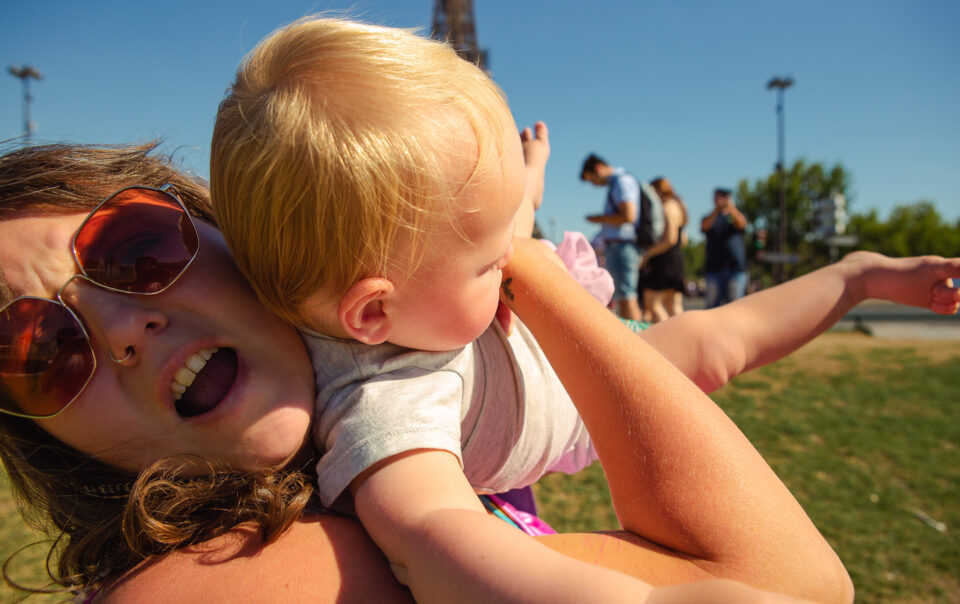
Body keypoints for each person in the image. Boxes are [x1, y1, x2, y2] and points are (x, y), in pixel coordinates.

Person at [0, 142, 871, 603]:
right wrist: (519, 264)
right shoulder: (220, 585)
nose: (121, 330)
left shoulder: (392, 404)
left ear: (229, 228)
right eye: (39, 350)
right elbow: (794, 586)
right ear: (46, 440)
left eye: (132, 247)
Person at [581, 154, 644, 321]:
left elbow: (629, 216)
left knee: (627, 298)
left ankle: (635, 343)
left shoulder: (621, 182)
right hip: (619, 246)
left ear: (598, 168)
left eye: (593, 180)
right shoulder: (619, 182)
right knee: (624, 297)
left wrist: (600, 219)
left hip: (622, 246)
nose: (595, 185)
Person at [641, 177, 688, 322]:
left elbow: (670, 239)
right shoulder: (677, 207)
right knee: (673, 305)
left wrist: (647, 254)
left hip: (664, 262)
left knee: (653, 305)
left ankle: (668, 341)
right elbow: (683, 240)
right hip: (676, 260)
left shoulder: (667, 208)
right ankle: (684, 339)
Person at [702, 187, 748, 308]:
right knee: (712, 306)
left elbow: (742, 223)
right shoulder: (710, 217)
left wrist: (730, 207)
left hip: (735, 267)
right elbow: (705, 226)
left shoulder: (735, 215)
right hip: (714, 268)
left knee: (736, 305)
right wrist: (717, 209)